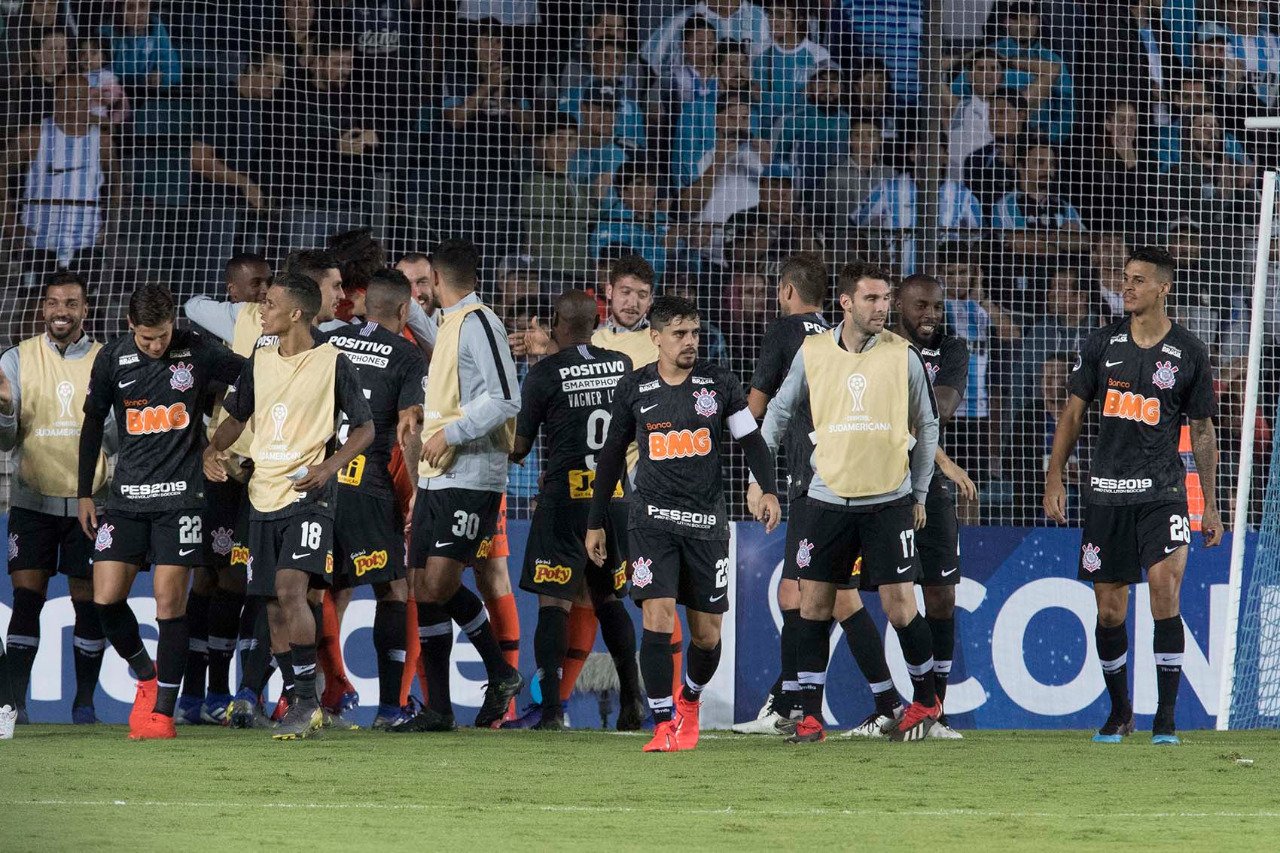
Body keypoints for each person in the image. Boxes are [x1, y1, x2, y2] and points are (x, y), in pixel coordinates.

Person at [584, 294, 780, 752]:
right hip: (650, 520)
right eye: (679, 334)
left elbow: (751, 441)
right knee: (657, 615)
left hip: (707, 524)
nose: (690, 342)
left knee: (707, 633)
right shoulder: (634, 388)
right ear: (656, 338)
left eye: (694, 332)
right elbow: (611, 458)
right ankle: (662, 722)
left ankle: (689, 699)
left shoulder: (719, 383)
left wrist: (767, 487)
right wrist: (595, 522)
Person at [1044, 246, 1223, 745]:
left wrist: (1210, 502)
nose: (1127, 286)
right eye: (1125, 278)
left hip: (1163, 492)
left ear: (1164, 288)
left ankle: (1165, 717)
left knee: (1165, 590)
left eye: (1138, 280)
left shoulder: (1189, 351)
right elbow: (1074, 414)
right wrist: (1054, 477)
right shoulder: (1102, 343)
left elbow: (1203, 430)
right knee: (1109, 612)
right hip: (1106, 495)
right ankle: (1120, 711)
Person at [761, 261, 940, 743]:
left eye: (886, 299)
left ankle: (925, 701)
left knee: (900, 605)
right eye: (872, 299)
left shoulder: (904, 355)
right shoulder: (813, 351)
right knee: (814, 604)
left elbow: (927, 427)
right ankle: (810, 715)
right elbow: (777, 413)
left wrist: (919, 493)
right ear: (846, 303)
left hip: (888, 500)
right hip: (825, 500)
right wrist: (761, 480)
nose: (883, 307)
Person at [204, 274, 374, 740]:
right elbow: (236, 418)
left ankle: (305, 702)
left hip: (310, 495)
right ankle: (304, 699)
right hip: (263, 495)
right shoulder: (258, 361)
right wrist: (211, 451)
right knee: (275, 606)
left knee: (291, 589)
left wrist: (329, 468)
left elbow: (364, 429)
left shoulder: (331, 362)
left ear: (296, 312)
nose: (262, 309)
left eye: (271, 303)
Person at [77, 284, 245, 740]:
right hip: (126, 498)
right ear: (131, 327)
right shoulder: (112, 358)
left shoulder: (197, 352)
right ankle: (146, 677)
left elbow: (251, 377)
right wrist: (84, 492)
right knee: (106, 600)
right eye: (147, 338)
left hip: (180, 501)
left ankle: (163, 714)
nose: (156, 345)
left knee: (170, 604)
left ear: (174, 322)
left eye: (163, 335)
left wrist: (218, 440)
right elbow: (93, 422)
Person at [398, 238, 524, 732]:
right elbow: (447, 374)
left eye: (424, 281)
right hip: (436, 475)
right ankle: (439, 709)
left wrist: (449, 432)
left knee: (439, 583)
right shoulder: (450, 323)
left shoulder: (479, 323)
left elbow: (506, 398)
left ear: (439, 278)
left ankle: (500, 672)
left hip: (471, 474)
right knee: (422, 589)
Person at [508, 290, 644, 730]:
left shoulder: (545, 373)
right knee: (608, 599)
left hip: (565, 501)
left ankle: (550, 713)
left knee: (555, 605)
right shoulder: (622, 365)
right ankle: (631, 703)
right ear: (597, 320)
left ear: (554, 323)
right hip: (613, 501)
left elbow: (520, 447)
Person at [1, 272, 111, 725]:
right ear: (42, 309)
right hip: (32, 501)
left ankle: (85, 705)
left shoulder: (109, 359)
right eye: (52, 303)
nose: (60, 311)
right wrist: (5, 409)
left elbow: (120, 439)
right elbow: (6, 441)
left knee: (88, 603)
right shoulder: (16, 360)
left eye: (70, 303)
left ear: (86, 308)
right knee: (28, 599)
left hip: (92, 503)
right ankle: (13, 705)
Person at [320, 270, 426, 730]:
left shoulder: (328, 341)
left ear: (363, 305)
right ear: (404, 312)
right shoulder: (407, 355)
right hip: (367, 485)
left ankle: (311, 697)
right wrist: (419, 488)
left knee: (309, 591)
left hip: (317, 482)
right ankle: (389, 709)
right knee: (394, 590)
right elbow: (408, 429)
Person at [176, 253, 272, 726]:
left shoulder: (289, 339)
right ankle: (196, 692)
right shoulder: (222, 337)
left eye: (268, 284)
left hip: (261, 477)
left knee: (236, 581)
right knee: (206, 578)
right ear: (234, 292)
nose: (262, 291)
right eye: (254, 283)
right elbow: (193, 306)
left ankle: (221, 690)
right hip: (219, 475)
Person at [891, 273, 976, 738]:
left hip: (929, 485)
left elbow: (940, 408)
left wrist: (894, 395)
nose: (931, 316)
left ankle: (934, 707)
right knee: (859, 596)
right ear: (899, 305)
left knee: (941, 596)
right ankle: (888, 701)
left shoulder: (951, 349)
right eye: (921, 306)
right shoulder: (877, 344)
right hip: (877, 485)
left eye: (937, 307)